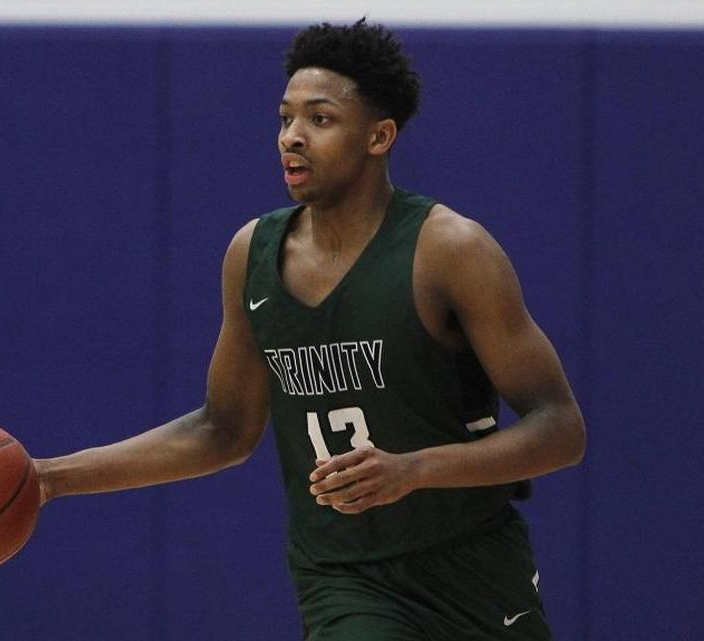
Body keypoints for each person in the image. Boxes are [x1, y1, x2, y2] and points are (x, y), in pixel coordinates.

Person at [34, 19, 585, 640]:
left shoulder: (450, 250)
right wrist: (49, 478)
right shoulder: (252, 253)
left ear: (379, 136)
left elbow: (561, 429)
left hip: (472, 565)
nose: (291, 137)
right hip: (343, 575)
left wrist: (413, 469)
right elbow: (223, 430)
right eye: (285, 118)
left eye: (319, 119)